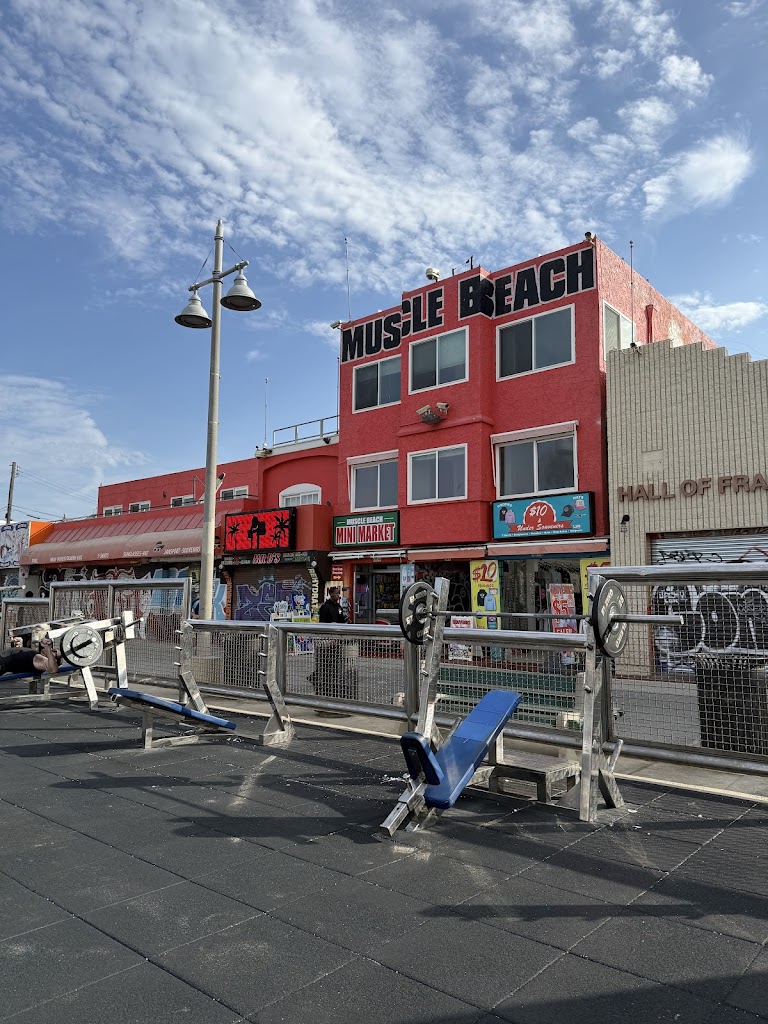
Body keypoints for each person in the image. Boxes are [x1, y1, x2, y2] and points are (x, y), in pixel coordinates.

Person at [311, 587, 357, 704]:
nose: (338, 595)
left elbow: (341, 620)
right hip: (327, 642)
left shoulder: (338, 607)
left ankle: (332, 691)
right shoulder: (325, 607)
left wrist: (346, 621)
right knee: (325, 667)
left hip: (337, 642)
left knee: (335, 668)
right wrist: (330, 624)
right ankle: (321, 687)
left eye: (338, 593)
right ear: (330, 594)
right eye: (336, 593)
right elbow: (322, 623)